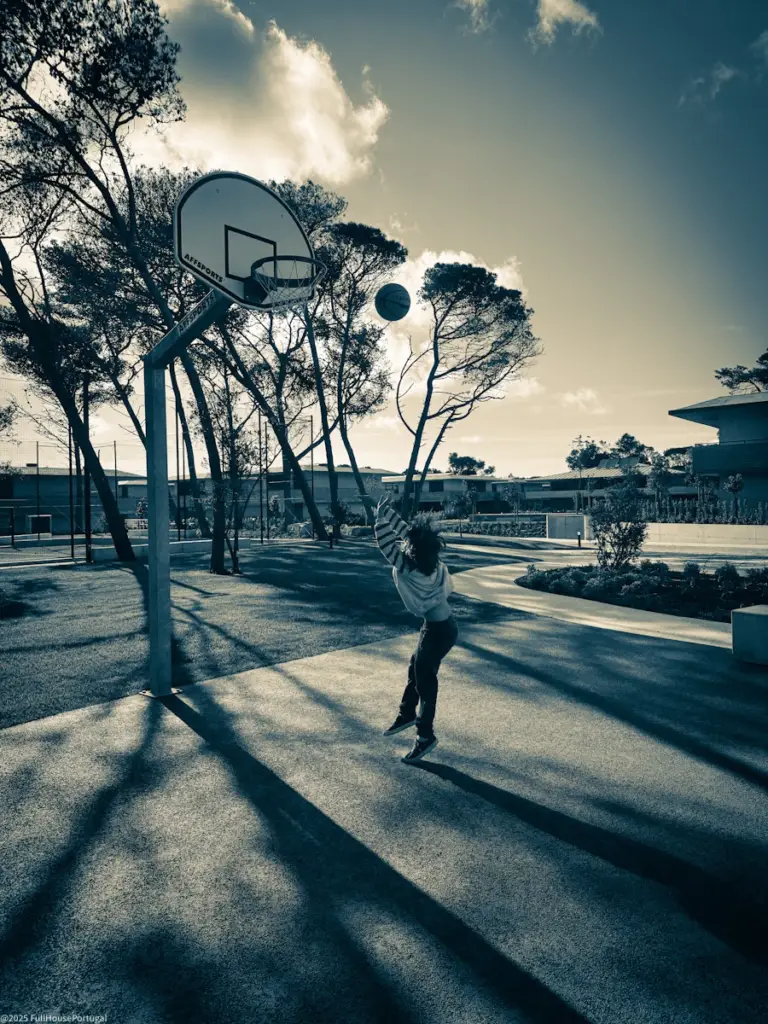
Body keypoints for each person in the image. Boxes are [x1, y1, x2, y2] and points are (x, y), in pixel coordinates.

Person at [372, 494, 459, 763]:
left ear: (411, 550)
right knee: (416, 667)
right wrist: (388, 514)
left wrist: (379, 519)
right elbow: (411, 534)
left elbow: (387, 544)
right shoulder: (431, 562)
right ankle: (407, 712)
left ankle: (425, 736)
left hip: (437, 631)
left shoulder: (409, 569)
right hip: (443, 626)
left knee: (426, 681)